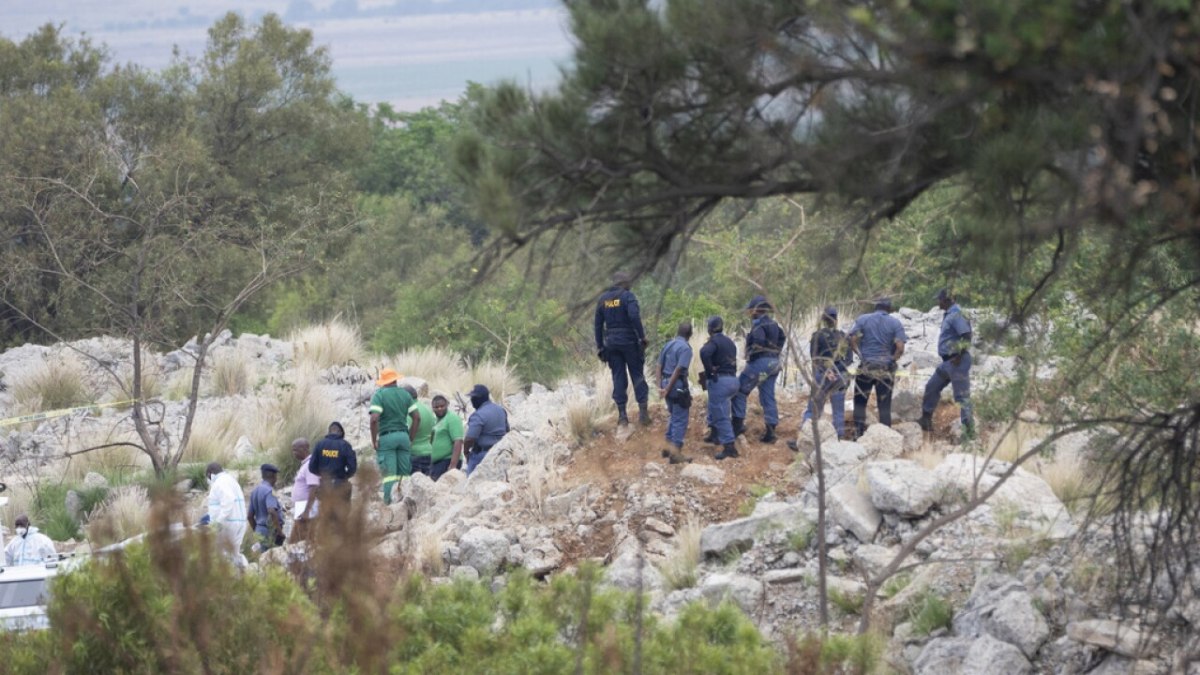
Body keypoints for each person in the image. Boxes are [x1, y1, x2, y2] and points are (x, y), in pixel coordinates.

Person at [594, 271, 650, 426]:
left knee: (618, 376)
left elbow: (598, 325)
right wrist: (642, 336)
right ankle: (643, 415)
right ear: (624, 283)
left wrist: (599, 346)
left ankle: (622, 416)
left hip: (611, 343)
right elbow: (634, 316)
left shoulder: (603, 300)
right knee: (637, 374)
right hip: (629, 341)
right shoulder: (628, 296)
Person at [731, 295, 787, 443]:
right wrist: (775, 351)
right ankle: (771, 430)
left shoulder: (759, 326)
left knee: (740, 390)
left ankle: (737, 426)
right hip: (774, 363)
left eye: (752, 310)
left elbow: (758, 341)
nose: (750, 313)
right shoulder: (774, 324)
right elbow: (783, 337)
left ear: (757, 310)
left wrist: (752, 352)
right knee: (767, 394)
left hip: (761, 362)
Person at [848, 297, 907, 437]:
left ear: (876, 307)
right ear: (889, 309)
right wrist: (892, 359)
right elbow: (900, 347)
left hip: (866, 366)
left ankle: (858, 433)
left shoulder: (863, 319)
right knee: (884, 405)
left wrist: (860, 354)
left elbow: (852, 339)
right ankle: (885, 436)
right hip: (885, 369)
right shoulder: (895, 323)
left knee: (860, 402)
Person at [920, 289, 975, 439]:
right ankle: (925, 420)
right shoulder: (950, 314)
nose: (938, 302)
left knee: (962, 398)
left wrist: (959, 354)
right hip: (948, 362)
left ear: (946, 300)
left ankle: (969, 433)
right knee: (931, 387)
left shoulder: (956, 314)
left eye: (940, 300)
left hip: (957, 361)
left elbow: (966, 335)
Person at [370, 368, 419, 504]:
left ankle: (389, 505)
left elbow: (374, 419)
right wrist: (410, 438)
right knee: (405, 475)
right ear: (395, 379)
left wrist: (374, 440)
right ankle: (406, 504)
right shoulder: (405, 394)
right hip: (403, 437)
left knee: (389, 477)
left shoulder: (379, 395)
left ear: (383, 381)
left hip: (387, 438)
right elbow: (417, 418)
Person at [802, 306, 851, 438]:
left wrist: (825, 371)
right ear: (836, 320)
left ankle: (806, 437)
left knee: (813, 409)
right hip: (840, 376)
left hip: (822, 376)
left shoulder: (817, 336)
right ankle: (838, 438)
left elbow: (814, 358)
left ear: (823, 320)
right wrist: (837, 371)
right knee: (838, 411)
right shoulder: (843, 337)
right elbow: (849, 359)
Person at [700, 316, 740, 460]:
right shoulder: (730, 342)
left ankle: (730, 447)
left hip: (720, 381)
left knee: (721, 415)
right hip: (733, 380)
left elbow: (704, 353)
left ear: (710, 329)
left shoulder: (714, 341)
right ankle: (714, 435)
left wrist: (710, 370)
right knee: (714, 407)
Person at [657, 322, 694, 463]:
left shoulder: (668, 345)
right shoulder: (686, 348)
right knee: (680, 419)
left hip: (665, 383)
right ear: (690, 334)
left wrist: (660, 386)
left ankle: (667, 449)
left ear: (678, 332)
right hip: (677, 386)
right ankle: (675, 453)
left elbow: (658, 365)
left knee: (674, 416)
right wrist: (667, 388)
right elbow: (678, 370)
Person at [204, 462, 248, 569]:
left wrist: (218, 521)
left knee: (223, 555)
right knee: (234, 554)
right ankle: (244, 576)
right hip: (239, 523)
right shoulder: (231, 480)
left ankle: (229, 580)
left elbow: (228, 500)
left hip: (228, 525)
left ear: (210, 474)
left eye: (208, 477)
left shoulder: (219, 483)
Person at [463, 384, 509, 476]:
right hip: (500, 453)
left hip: (481, 455)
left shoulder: (478, 415)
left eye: (473, 398)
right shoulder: (500, 410)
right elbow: (507, 431)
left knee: (471, 483)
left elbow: (470, 438)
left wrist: (466, 452)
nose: (471, 401)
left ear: (478, 399)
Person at [309, 420, 357, 503]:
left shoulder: (319, 444)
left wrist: (322, 474)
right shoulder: (345, 445)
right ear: (341, 432)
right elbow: (352, 467)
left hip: (324, 486)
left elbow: (312, 467)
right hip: (340, 485)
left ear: (329, 431)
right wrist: (345, 476)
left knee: (326, 512)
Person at [404, 385, 439, 479]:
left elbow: (406, 432)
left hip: (414, 454)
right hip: (429, 452)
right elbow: (434, 430)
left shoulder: (409, 411)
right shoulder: (427, 409)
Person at [290, 437, 321, 542]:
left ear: (304, 449)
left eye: (295, 450)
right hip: (301, 507)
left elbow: (314, 487)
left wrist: (306, 511)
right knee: (298, 539)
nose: (293, 453)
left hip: (306, 508)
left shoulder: (309, 466)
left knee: (300, 539)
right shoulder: (305, 464)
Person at [247, 464, 284, 553]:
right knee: (272, 561)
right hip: (270, 532)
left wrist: (257, 530)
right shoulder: (270, 491)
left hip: (259, 530)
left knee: (263, 560)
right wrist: (279, 532)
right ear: (274, 476)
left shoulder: (255, 491)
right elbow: (271, 511)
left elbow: (249, 516)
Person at [431, 394, 465, 479]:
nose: (439, 409)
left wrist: (452, 466)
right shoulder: (437, 421)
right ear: (432, 408)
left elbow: (458, 441)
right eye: (436, 407)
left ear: (447, 405)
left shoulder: (452, 418)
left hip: (447, 461)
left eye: (442, 406)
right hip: (437, 463)